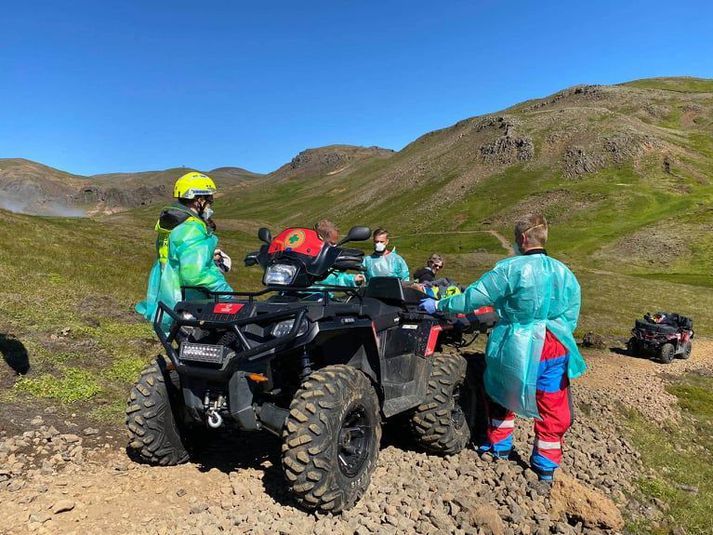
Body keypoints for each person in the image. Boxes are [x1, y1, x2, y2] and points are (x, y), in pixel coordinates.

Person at [420, 214, 586, 483]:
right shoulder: (564, 272)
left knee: (500, 391)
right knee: (553, 402)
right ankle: (545, 468)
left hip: (517, 344)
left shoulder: (510, 269)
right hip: (555, 344)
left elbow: (473, 298)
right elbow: (571, 314)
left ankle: (498, 449)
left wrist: (439, 306)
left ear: (521, 239)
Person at [136, 172, 233, 324]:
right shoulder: (192, 228)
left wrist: (209, 256)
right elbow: (195, 275)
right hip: (193, 305)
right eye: (209, 198)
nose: (211, 203)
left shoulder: (171, 224)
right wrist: (227, 295)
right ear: (198, 200)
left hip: (169, 298)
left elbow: (176, 256)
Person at [313, 219, 365, 288]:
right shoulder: (304, 253)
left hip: (317, 295)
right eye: (332, 243)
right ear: (320, 239)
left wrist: (352, 279)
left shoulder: (328, 258)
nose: (334, 246)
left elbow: (334, 277)